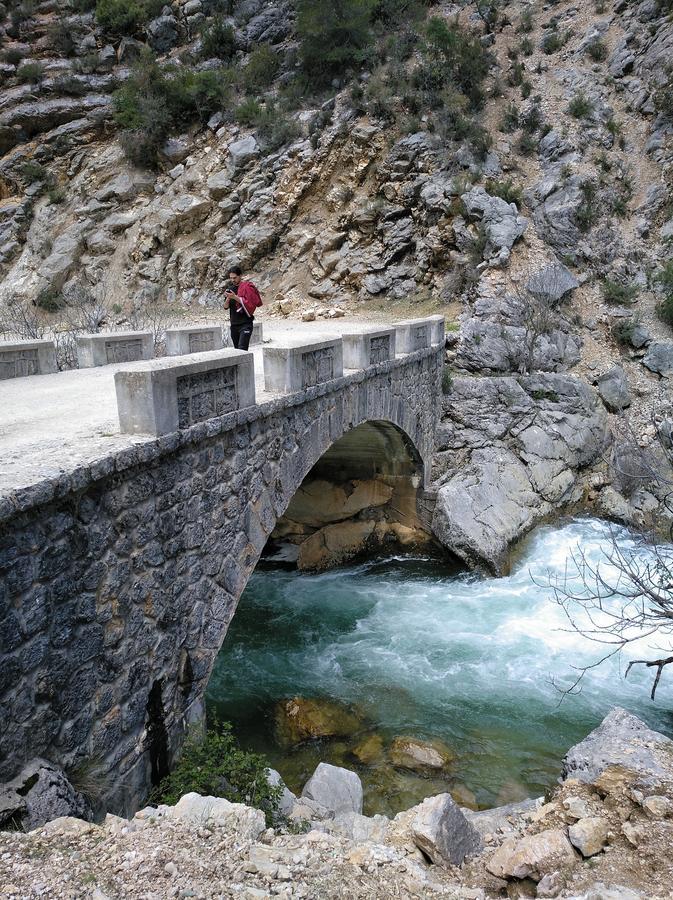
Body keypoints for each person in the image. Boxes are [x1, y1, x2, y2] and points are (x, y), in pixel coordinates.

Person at [224, 266, 262, 350]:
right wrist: (228, 298)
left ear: (240, 276)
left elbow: (250, 303)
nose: (233, 280)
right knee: (237, 351)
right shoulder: (230, 289)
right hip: (234, 325)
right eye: (231, 278)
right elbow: (225, 307)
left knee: (242, 349)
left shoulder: (247, 287)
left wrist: (234, 297)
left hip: (246, 324)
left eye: (235, 278)